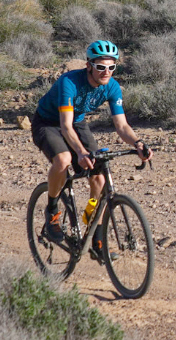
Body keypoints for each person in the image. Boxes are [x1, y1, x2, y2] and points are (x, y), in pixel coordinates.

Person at [31, 40, 152, 247]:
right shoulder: (69, 82)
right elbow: (65, 126)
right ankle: (52, 210)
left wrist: (138, 143)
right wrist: (80, 152)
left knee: (99, 179)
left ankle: (93, 231)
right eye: (101, 67)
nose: (106, 72)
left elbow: (122, 126)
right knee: (63, 159)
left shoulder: (112, 87)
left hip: (76, 122)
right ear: (89, 65)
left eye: (111, 67)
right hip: (48, 122)